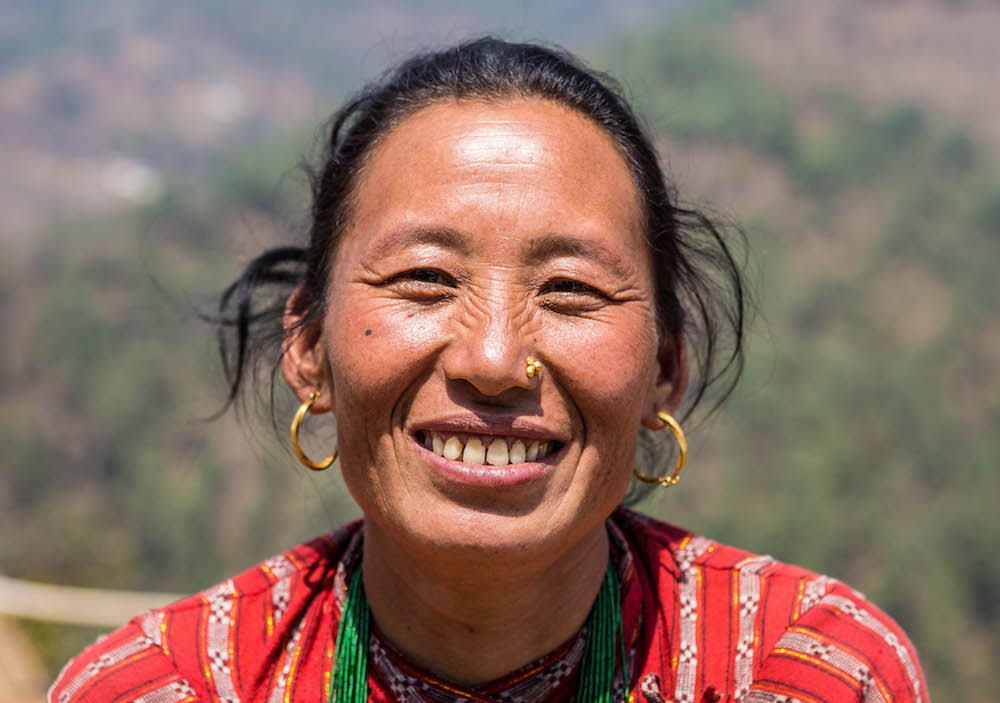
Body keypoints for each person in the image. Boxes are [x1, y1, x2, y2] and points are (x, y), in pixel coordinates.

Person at [49, 38, 927, 703]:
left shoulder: (805, 669)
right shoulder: (162, 686)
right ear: (310, 349)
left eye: (572, 289)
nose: (496, 359)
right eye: (426, 279)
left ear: (664, 367)